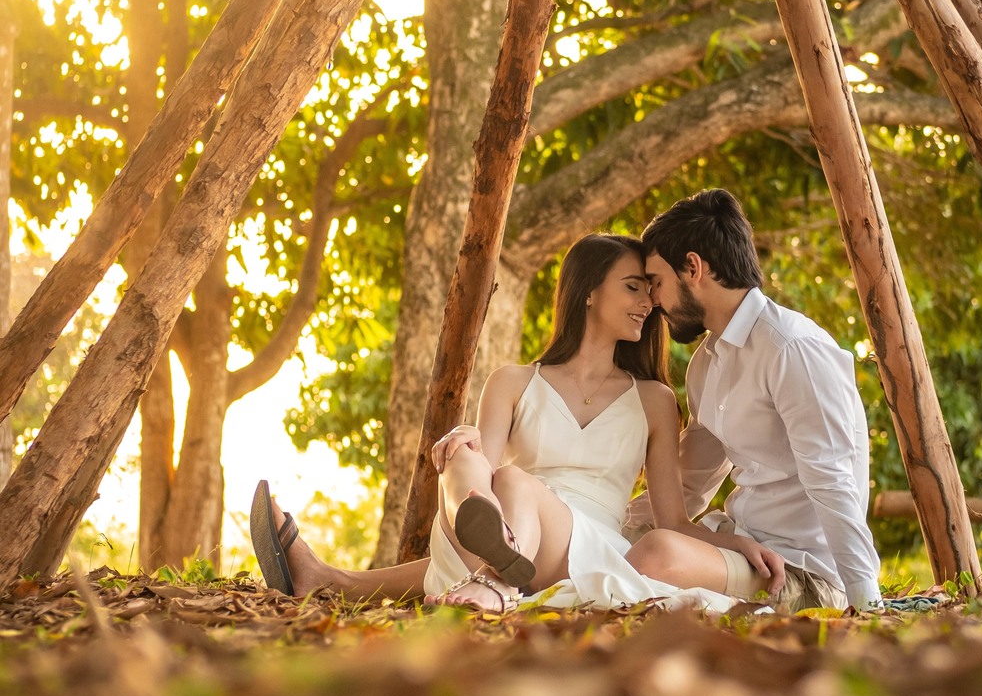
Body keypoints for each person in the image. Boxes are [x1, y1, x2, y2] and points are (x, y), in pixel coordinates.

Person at [250, 233, 786, 614]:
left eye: (649, 289)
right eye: (633, 287)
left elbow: (673, 519)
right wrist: (465, 450)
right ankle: (485, 540)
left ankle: (491, 579)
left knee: (510, 481)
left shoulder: (654, 400)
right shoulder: (511, 382)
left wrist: (735, 545)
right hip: (508, 527)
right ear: (589, 292)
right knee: (466, 450)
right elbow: (481, 460)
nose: (649, 301)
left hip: (585, 544)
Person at [626, 188, 882, 613]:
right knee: (608, 541)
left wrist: (865, 602)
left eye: (656, 282)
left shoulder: (790, 349)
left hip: (801, 572)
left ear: (693, 268)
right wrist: (613, 520)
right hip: (741, 547)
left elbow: (832, 480)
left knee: (658, 556)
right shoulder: (705, 365)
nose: (652, 300)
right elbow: (691, 483)